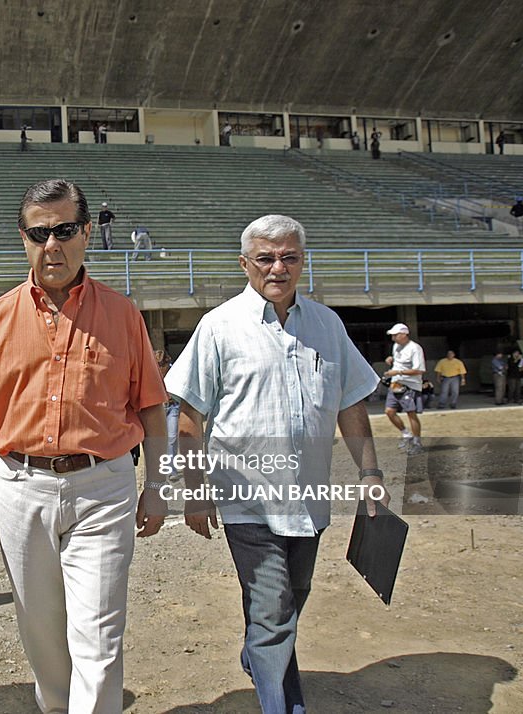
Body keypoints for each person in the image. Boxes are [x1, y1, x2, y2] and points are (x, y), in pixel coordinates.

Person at [0, 179, 168, 713]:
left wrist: (158, 482)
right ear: (24, 239)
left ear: (86, 232)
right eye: (39, 233)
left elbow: (152, 407)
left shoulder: (123, 315)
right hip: (20, 486)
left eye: (64, 230)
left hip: (103, 486)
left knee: (99, 634)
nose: (51, 245)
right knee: (39, 626)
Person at [165, 214, 389, 714]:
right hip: (248, 501)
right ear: (245, 264)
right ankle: (284, 705)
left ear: (302, 261)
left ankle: (259, 650)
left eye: (289, 256)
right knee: (273, 609)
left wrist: (370, 474)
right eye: (265, 258)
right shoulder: (218, 327)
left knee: (294, 595)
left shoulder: (327, 325)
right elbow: (190, 418)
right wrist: (195, 493)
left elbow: (351, 402)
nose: (278, 267)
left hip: (310, 501)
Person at [384, 323, 426, 455]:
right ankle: (406, 434)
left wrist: (397, 372)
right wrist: (392, 360)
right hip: (396, 384)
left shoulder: (415, 348)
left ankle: (417, 442)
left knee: (411, 413)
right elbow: (399, 361)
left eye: (395, 335)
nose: (393, 338)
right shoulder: (396, 347)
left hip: (410, 385)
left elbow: (419, 370)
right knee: (389, 411)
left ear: (404, 334)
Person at [154, 349, 181, 481]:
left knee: (171, 438)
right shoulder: (152, 372)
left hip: (172, 406)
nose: (160, 369)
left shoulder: (175, 371)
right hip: (158, 407)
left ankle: (171, 469)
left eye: (161, 366)